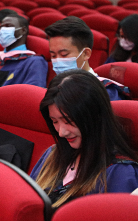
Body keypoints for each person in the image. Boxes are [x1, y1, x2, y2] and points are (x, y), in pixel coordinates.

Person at [30, 70, 138, 207]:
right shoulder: (53, 153)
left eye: (68, 121)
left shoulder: (119, 172)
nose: (62, 132)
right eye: (54, 121)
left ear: (94, 116)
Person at [46, 16, 130, 101]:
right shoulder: (55, 87)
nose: (58, 61)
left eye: (64, 55)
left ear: (86, 54)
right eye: (53, 55)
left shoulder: (105, 92)